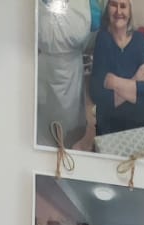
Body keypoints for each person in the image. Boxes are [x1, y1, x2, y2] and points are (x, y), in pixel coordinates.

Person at [37, 0, 99, 148]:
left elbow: (95, 30)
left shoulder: (89, 5)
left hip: (71, 73)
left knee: (70, 126)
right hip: (45, 70)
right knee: (43, 125)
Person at [90, 0, 144, 136]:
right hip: (110, 125)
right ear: (107, 9)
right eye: (114, 5)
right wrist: (136, 80)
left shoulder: (140, 40)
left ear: (130, 11)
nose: (119, 11)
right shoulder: (102, 39)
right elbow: (98, 96)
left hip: (142, 122)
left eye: (123, 6)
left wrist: (114, 82)